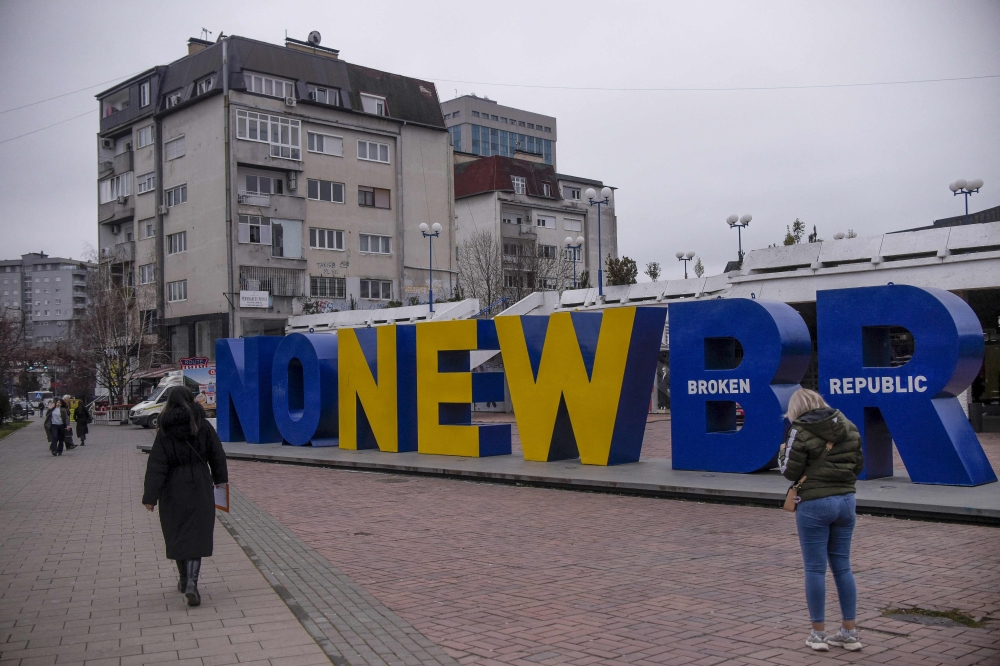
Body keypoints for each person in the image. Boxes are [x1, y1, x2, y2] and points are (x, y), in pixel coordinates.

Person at [779, 388, 865, 652]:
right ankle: (849, 632)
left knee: (815, 569)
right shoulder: (848, 425)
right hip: (846, 502)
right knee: (843, 567)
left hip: (814, 503)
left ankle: (818, 635)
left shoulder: (798, 429)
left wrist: (783, 454)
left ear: (796, 408)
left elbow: (789, 471)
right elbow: (858, 465)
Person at [142, 386, 228, 607]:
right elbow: (217, 455)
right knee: (197, 533)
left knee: (177, 531)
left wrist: (150, 496)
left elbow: (157, 465)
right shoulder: (203, 425)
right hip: (199, 483)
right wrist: (220, 480)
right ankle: (191, 582)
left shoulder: (164, 429)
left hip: (172, 487)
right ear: (191, 400)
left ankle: (183, 579)